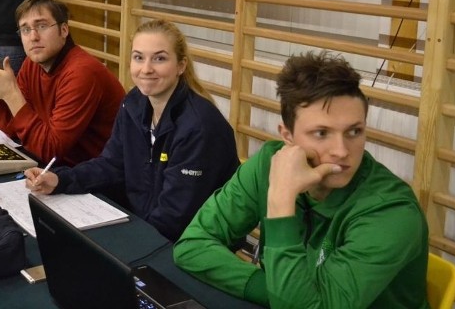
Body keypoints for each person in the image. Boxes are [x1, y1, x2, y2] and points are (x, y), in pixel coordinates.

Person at [174, 51, 429, 308]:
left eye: (354, 131)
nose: (341, 151)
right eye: (321, 133)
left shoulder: (391, 211)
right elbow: (192, 245)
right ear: (288, 136)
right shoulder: (268, 165)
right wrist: (274, 291)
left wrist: (281, 201)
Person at [25, 19, 239, 240]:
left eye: (160, 58)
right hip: (147, 227)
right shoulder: (134, 103)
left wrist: (129, 244)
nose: (146, 69)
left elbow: (175, 217)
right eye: (139, 57)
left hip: (192, 245)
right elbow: (112, 163)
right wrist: (61, 180)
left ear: (181, 65)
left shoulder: (199, 127)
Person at [0, 0, 124, 167]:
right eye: (25, 29)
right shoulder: (32, 64)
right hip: (59, 169)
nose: (33, 37)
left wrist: (11, 93)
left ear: (64, 30)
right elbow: (15, 130)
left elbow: (50, 151)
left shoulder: (82, 72)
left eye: (42, 26)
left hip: (95, 180)